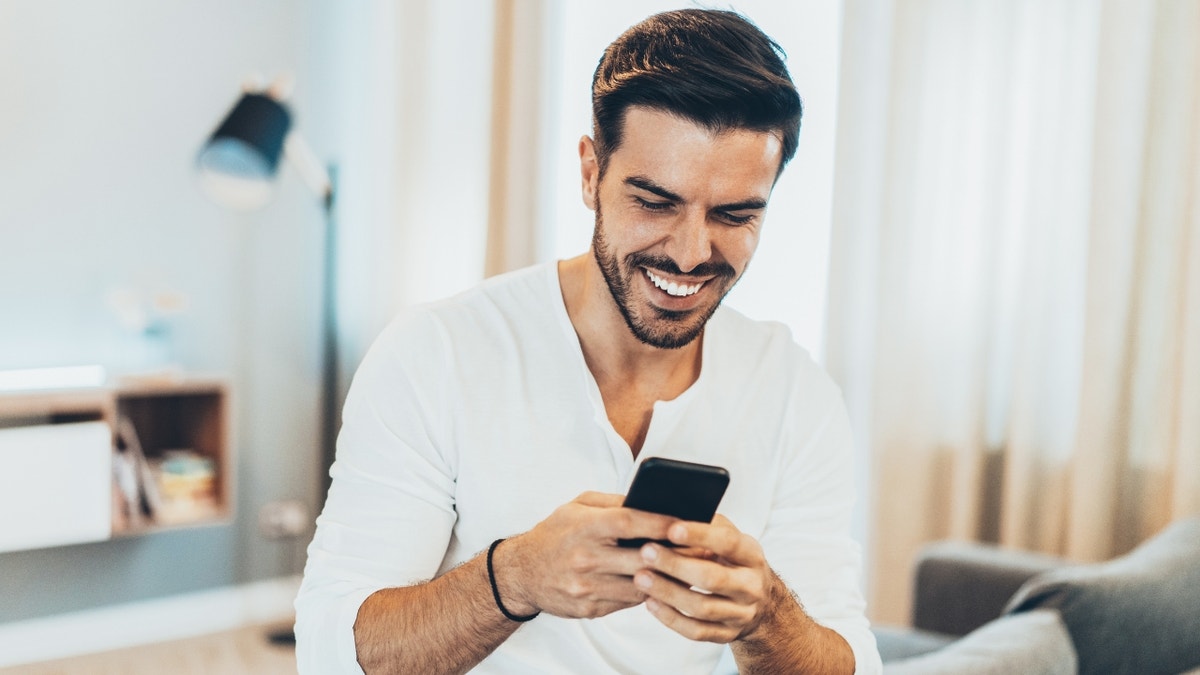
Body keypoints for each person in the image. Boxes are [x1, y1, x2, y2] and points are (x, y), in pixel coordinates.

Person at [296, 8, 880, 674]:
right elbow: (330, 654)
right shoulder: (436, 352)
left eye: (734, 214)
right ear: (588, 172)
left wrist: (767, 614)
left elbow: (851, 659)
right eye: (655, 201)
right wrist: (514, 578)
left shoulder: (794, 392)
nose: (691, 253)